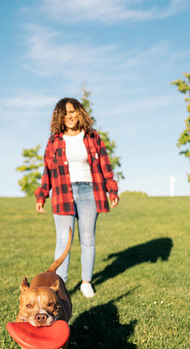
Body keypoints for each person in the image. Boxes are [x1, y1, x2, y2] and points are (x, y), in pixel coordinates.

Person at [35, 98, 119, 298]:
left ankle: (86, 282)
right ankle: (60, 286)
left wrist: (112, 190)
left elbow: (105, 166)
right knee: (63, 241)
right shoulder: (54, 140)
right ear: (59, 118)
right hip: (63, 193)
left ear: (79, 113)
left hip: (90, 191)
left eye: (72, 112)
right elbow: (47, 170)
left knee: (88, 238)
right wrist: (42, 195)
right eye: (64, 114)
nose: (69, 116)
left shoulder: (92, 137)